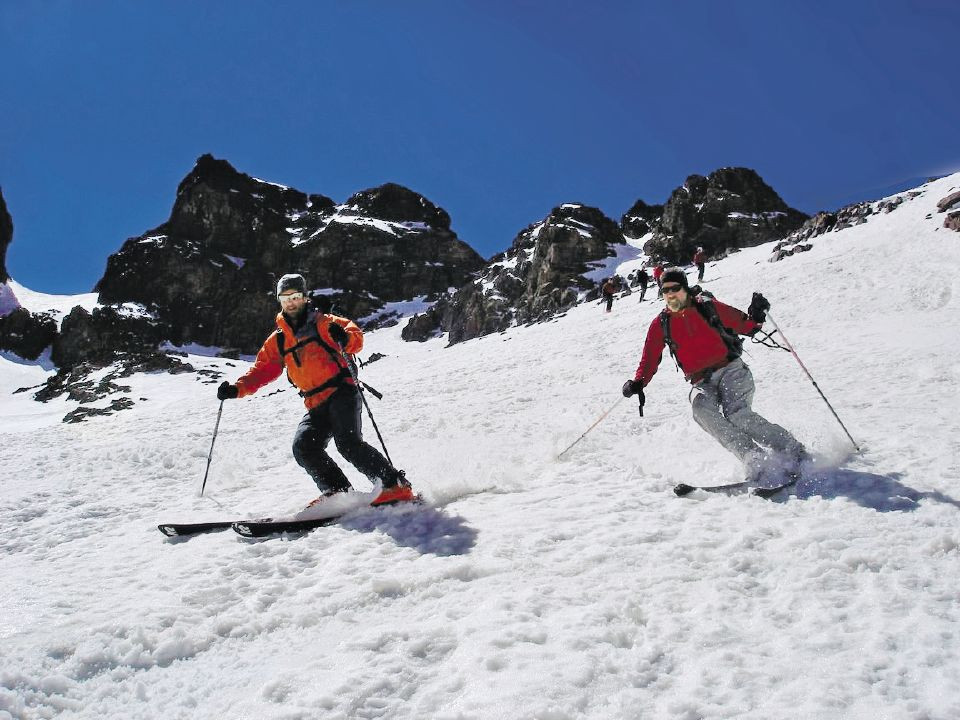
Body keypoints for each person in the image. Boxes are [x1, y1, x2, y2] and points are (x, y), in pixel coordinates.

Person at [216, 274, 414, 507]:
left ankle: (393, 485)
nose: (291, 302)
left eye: (296, 296)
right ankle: (337, 492)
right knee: (304, 447)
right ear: (279, 301)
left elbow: (355, 337)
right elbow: (263, 369)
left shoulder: (324, 323)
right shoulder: (278, 340)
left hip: (342, 392)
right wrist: (237, 389)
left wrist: (345, 337)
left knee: (348, 443)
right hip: (314, 403)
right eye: (285, 298)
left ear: (305, 297)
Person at [621, 267, 807, 483]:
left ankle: (792, 449)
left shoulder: (707, 307)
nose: (671, 294)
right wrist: (638, 382)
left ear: (686, 288)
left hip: (732, 369)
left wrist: (757, 315)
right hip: (701, 380)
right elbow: (650, 357)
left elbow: (745, 324)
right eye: (665, 290)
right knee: (700, 408)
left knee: (737, 414)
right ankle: (752, 456)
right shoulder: (661, 324)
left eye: (676, 288)